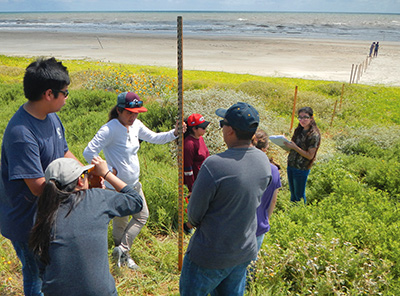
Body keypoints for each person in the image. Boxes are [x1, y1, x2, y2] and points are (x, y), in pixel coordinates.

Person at [0, 57, 80, 296]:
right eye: (64, 93)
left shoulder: (51, 117)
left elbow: (63, 150)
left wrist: (83, 171)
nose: (66, 98)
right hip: (27, 221)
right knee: (36, 275)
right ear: (48, 94)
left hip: (47, 215)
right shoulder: (21, 133)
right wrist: (77, 188)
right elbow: (37, 187)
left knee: (50, 271)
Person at [83, 91, 184, 270]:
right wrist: (104, 171)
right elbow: (89, 152)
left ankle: (121, 250)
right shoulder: (110, 129)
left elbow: (154, 137)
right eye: (129, 112)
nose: (133, 116)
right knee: (121, 221)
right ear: (119, 110)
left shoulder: (136, 125)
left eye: (136, 112)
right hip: (117, 187)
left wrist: (174, 133)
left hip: (134, 184)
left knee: (141, 216)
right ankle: (122, 256)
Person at [179, 102, 272, 296]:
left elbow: (194, 214)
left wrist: (189, 224)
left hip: (210, 254)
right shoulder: (263, 161)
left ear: (230, 130)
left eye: (223, 124)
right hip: (243, 250)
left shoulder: (214, 165)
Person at [29, 156, 143, 296]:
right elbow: (136, 201)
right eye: (85, 174)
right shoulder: (97, 198)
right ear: (79, 180)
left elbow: (41, 264)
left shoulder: (43, 213)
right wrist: (106, 174)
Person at [251, 129, 281, 253]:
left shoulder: (242, 165)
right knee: (251, 264)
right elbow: (273, 201)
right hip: (259, 223)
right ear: (266, 148)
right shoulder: (274, 170)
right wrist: (266, 218)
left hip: (239, 225)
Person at [284, 106, 321, 204]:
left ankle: (300, 214)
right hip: (291, 164)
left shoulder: (314, 134)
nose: (302, 120)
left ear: (311, 118)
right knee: (293, 194)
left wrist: (295, 147)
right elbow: (294, 147)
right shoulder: (299, 130)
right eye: (300, 117)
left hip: (301, 168)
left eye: (305, 117)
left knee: (299, 195)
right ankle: (292, 215)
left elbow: (310, 156)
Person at [183, 113, 210, 234]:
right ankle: (189, 225)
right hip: (195, 181)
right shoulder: (189, 144)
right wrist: (191, 187)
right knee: (197, 204)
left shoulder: (200, 139)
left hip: (204, 177)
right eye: (202, 127)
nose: (205, 129)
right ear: (194, 129)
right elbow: (187, 168)